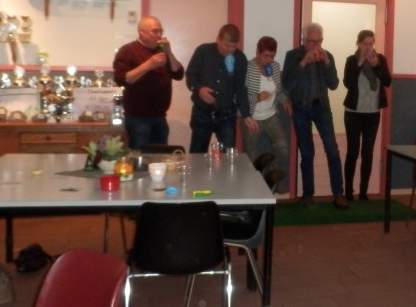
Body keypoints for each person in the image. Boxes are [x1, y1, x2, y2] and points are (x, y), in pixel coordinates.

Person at [282, 22, 348, 209]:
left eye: (318, 41)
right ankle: (308, 194)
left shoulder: (327, 56)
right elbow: (287, 85)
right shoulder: (292, 56)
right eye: (311, 41)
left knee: (332, 150)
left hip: (321, 108)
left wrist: (326, 63)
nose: (315, 45)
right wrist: (303, 63)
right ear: (304, 40)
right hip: (300, 108)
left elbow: (334, 84)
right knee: (307, 152)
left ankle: (338, 193)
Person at [112, 15, 184, 149]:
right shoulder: (127, 51)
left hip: (160, 117)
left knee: (161, 157)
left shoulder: (163, 51)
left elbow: (178, 74)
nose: (159, 35)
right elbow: (121, 79)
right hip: (137, 119)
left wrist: (169, 52)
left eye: (161, 31)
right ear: (141, 32)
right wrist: (149, 65)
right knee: (140, 158)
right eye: (155, 31)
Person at [185, 23, 256, 154]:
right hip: (202, 114)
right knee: (196, 156)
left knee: (228, 157)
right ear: (218, 39)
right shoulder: (203, 51)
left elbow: (240, 89)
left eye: (233, 46)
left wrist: (246, 115)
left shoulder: (240, 58)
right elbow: (190, 76)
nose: (230, 50)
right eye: (226, 45)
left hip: (226, 116)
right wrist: (200, 90)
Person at [342, 30, 391, 201]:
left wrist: (376, 65)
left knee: (368, 153)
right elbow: (348, 83)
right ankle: (348, 192)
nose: (368, 47)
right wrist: (360, 63)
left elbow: (387, 81)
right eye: (365, 44)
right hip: (353, 113)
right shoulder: (351, 60)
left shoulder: (380, 59)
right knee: (352, 152)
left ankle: (363, 192)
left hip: (373, 113)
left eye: (371, 43)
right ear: (358, 44)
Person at [243, 36, 291, 193]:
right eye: (265, 56)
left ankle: (270, 174)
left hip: (271, 116)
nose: (269, 60)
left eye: (272, 56)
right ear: (257, 52)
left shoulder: (275, 67)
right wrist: (257, 97)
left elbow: (278, 91)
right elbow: (239, 97)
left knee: (283, 148)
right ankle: (257, 188)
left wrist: (285, 101)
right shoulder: (248, 68)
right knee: (252, 157)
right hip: (252, 119)